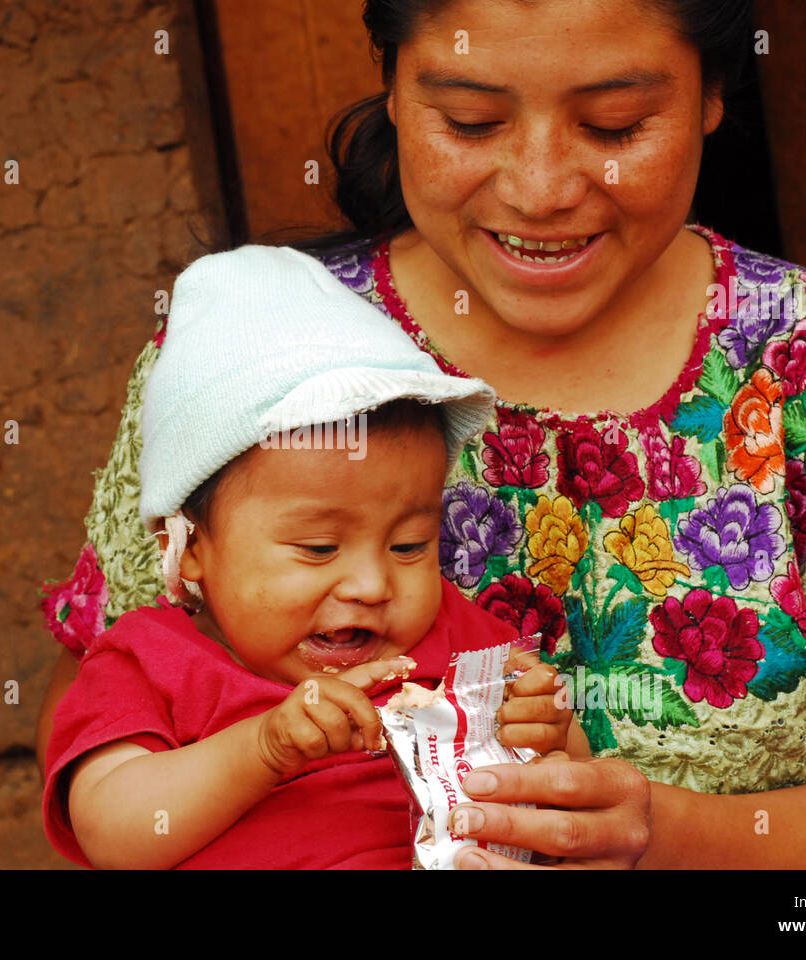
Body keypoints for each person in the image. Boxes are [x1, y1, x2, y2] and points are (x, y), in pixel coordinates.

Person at [39, 0, 806, 868]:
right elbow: (112, 737)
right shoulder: (249, 359)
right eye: (473, 123)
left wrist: (658, 832)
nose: (540, 191)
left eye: (614, 125)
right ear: (395, 89)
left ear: (714, 94)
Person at [42, 245, 587, 869]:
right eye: (319, 547)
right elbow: (114, 835)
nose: (370, 583)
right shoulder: (151, 663)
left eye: (409, 545)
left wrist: (548, 730)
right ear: (186, 546)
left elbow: (569, 783)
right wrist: (265, 749)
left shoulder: (455, 639)